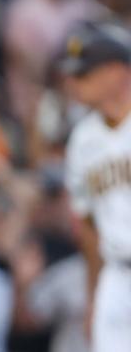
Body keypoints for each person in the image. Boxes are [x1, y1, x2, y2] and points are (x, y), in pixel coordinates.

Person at [59, 21, 131, 352]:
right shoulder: (82, 140)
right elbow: (88, 224)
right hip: (116, 275)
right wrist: (94, 294)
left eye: (84, 74)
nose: (73, 83)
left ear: (117, 72)